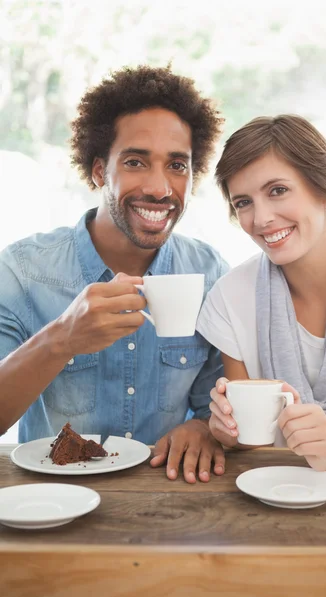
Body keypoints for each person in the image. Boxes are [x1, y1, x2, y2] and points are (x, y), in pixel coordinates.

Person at [0, 65, 230, 484]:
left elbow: (217, 404)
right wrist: (62, 338)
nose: (161, 188)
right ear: (97, 171)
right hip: (53, 504)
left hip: (170, 504)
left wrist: (202, 427)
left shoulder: (210, 274)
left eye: (177, 165)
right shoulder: (22, 271)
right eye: (136, 162)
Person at [197, 114, 326, 472]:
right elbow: (248, 441)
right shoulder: (230, 297)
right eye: (243, 202)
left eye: (277, 190)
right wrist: (225, 431)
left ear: (324, 187)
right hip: (276, 489)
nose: (261, 219)